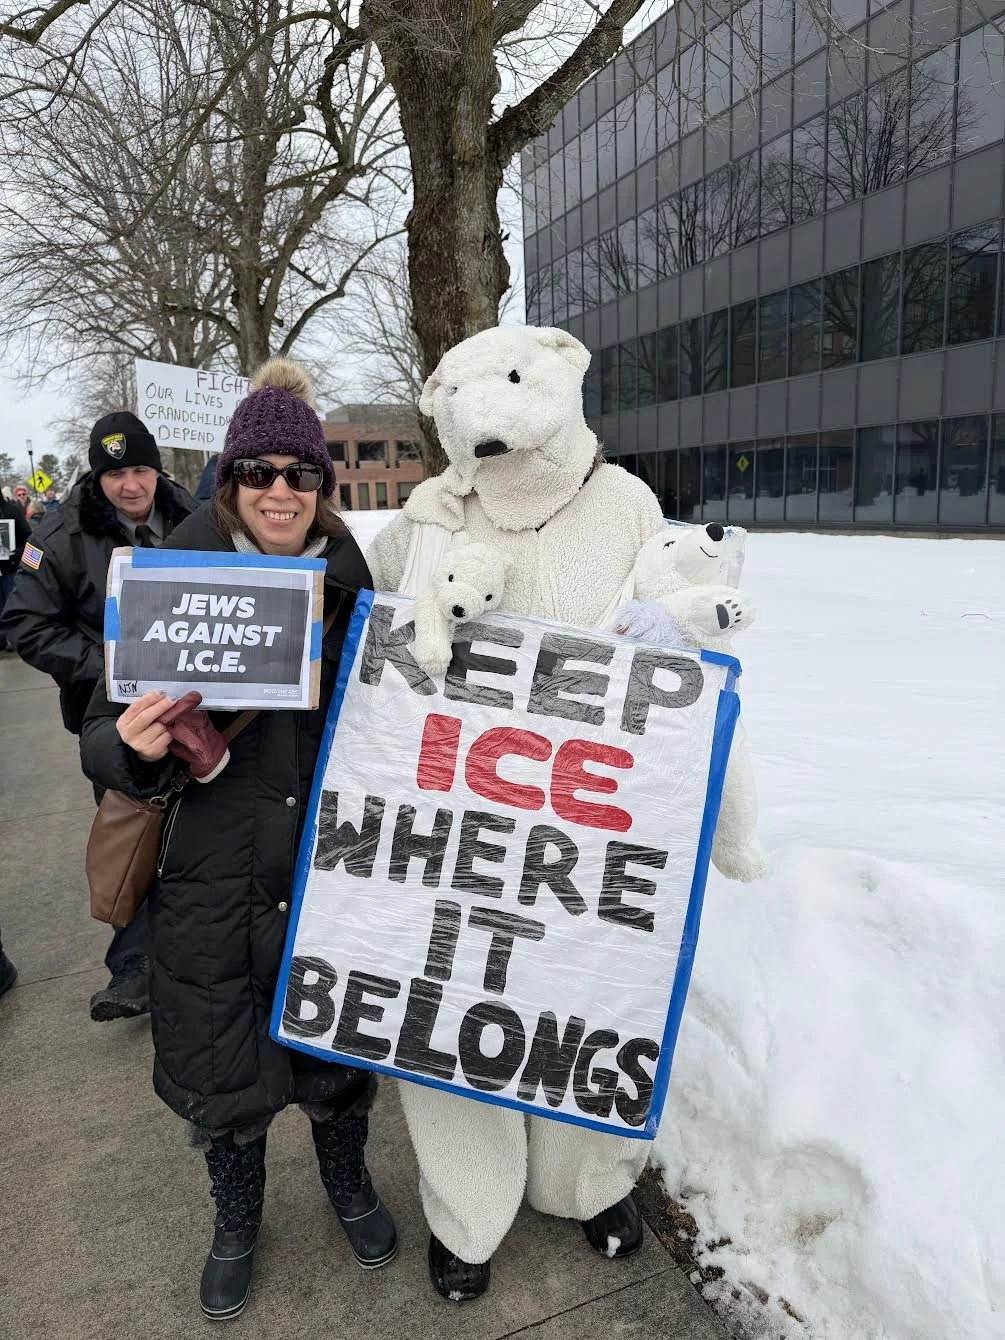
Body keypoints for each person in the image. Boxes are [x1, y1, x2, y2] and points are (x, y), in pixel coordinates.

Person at [79, 359, 396, 1322]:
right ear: (229, 481)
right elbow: (102, 726)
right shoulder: (169, 573)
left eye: (300, 475)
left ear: (322, 487)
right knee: (225, 1073)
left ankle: (348, 1184)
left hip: (322, 867)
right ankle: (236, 1219)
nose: (280, 492)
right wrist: (128, 749)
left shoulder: (349, 576)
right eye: (258, 473)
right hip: (209, 879)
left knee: (336, 1065)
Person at [0, 413, 197, 1022]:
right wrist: (106, 666)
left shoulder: (197, 516)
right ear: (98, 473)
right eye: (115, 473)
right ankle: (134, 966)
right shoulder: (59, 534)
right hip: (109, 716)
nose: (130, 485)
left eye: (140, 469)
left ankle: (190, 957)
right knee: (132, 833)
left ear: (156, 469)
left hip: (195, 709)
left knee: (193, 835)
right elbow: (23, 622)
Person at [0, 490, 31, 652]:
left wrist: (15, 555)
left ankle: (12, 639)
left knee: (10, 605)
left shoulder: (11, 510)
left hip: (9, 567)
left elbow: (28, 536)